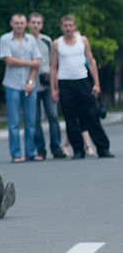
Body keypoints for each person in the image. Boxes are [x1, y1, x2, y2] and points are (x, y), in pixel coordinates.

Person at [49, 15, 114, 159]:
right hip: (65, 82)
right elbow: (53, 67)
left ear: (74, 26)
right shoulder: (56, 43)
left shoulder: (82, 40)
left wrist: (96, 84)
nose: (68, 28)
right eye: (65, 25)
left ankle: (103, 148)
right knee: (70, 117)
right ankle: (78, 150)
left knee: (91, 115)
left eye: (70, 25)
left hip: (82, 81)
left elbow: (91, 62)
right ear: (61, 27)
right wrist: (54, 88)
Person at [0, 13, 41, 162]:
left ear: (26, 25)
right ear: (11, 24)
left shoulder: (31, 40)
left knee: (31, 121)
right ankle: (16, 154)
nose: (19, 25)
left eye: (22, 23)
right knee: (14, 122)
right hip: (12, 85)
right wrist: (30, 63)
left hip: (29, 86)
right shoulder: (5, 39)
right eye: (16, 23)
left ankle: (31, 152)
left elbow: (37, 62)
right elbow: (9, 61)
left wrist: (30, 82)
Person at [27, 12, 66, 159]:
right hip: (31, 86)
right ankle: (40, 149)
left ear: (41, 25)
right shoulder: (25, 40)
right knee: (35, 119)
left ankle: (56, 148)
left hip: (46, 84)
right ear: (28, 24)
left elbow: (53, 64)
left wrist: (55, 86)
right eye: (33, 22)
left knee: (53, 115)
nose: (35, 25)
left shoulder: (47, 41)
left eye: (38, 22)